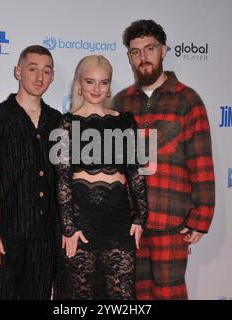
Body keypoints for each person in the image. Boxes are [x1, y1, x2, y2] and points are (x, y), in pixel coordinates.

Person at [113, 19, 215, 300]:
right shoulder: (120, 103)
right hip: (128, 224)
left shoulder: (187, 100)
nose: (143, 57)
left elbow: (201, 161)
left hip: (171, 222)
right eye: (136, 52)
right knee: (132, 297)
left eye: (150, 48)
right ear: (129, 57)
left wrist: (201, 217)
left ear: (164, 51)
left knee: (170, 295)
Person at [0, 45, 62, 300]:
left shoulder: (59, 122)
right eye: (32, 69)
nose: (39, 77)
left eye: (46, 71)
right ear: (18, 71)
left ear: (52, 77)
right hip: (5, 237)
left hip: (46, 241)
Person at [52, 55, 148, 299]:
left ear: (109, 86)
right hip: (81, 222)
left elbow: (135, 173)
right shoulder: (66, 124)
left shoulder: (125, 122)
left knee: (122, 297)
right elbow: (62, 180)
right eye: (90, 82)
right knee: (80, 296)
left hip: (118, 221)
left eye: (103, 83)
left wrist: (140, 217)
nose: (97, 89)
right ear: (80, 85)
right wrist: (69, 227)